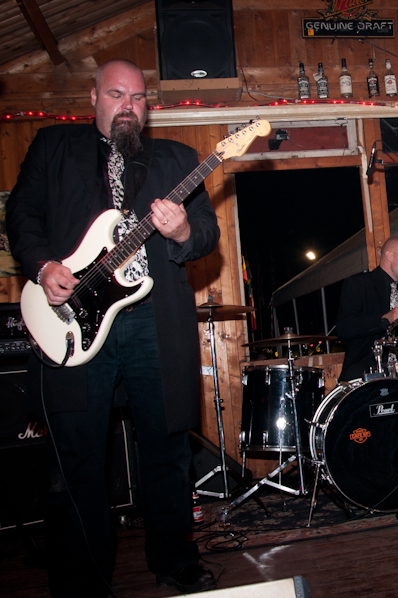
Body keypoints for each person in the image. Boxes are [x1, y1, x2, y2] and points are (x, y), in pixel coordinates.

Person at [6, 59, 220, 594]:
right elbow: (22, 216)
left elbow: (207, 234)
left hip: (154, 319)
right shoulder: (53, 146)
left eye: (138, 97)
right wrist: (43, 267)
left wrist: (183, 231)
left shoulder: (177, 158)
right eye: (117, 94)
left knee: (167, 449)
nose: (129, 106)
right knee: (77, 456)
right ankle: (82, 578)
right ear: (94, 97)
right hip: (73, 315)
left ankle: (175, 558)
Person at [335, 236, 398, 382]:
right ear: (389, 256)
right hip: (366, 367)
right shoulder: (358, 284)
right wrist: (384, 320)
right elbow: (344, 328)